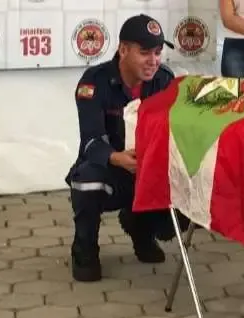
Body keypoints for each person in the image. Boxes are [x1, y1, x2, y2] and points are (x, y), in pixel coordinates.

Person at [65, 14, 188, 282]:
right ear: (123, 50)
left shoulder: (165, 80)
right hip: (112, 169)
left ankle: (140, 229)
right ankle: (84, 249)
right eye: (145, 52)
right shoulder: (94, 82)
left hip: (150, 169)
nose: (153, 60)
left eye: (157, 52)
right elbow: (91, 140)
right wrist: (117, 158)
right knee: (87, 180)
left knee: (179, 219)